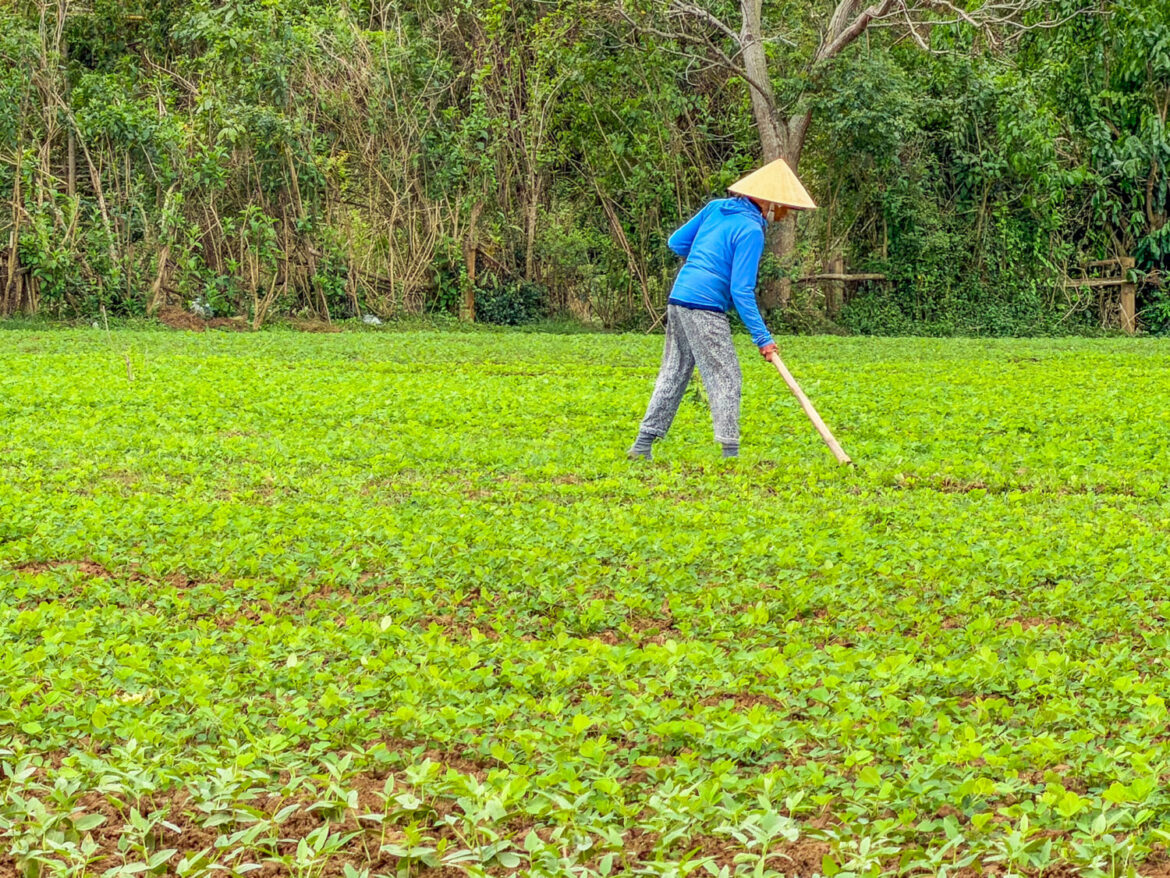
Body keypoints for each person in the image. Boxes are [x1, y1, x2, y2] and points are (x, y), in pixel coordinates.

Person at [628, 159, 814, 461]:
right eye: (782, 207)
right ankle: (730, 452)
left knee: (674, 371)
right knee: (726, 374)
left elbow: (676, 242)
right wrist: (763, 338)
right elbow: (741, 291)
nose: (784, 214)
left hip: (680, 296)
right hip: (704, 306)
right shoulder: (752, 230)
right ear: (767, 202)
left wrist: (705, 260)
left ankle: (642, 444)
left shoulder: (716, 208)